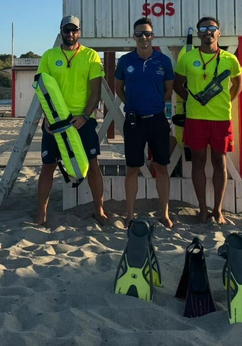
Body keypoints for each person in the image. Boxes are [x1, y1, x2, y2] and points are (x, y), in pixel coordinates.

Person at [36, 15, 107, 226]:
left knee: (93, 165)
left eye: (74, 30)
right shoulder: (49, 56)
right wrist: (48, 118)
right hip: (55, 121)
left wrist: (85, 116)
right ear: (61, 32)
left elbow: (96, 92)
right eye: (66, 30)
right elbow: (42, 90)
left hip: (82, 121)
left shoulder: (91, 56)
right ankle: (42, 213)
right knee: (47, 166)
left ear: (80, 32)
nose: (70, 34)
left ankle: (99, 210)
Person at [173, 16, 242, 224]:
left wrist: (225, 101)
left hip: (221, 118)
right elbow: (178, 86)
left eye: (212, 28)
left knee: (219, 163)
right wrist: (192, 102)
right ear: (198, 33)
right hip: (195, 119)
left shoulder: (230, 59)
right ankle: (202, 209)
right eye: (203, 28)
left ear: (218, 33)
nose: (208, 32)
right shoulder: (187, 58)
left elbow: (238, 85)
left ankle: (218, 210)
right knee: (198, 162)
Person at [114, 17, 175, 228]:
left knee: (162, 167)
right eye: (139, 34)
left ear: (153, 36)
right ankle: (129, 214)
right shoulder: (125, 61)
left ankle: (165, 214)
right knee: (132, 168)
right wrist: (130, 105)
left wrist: (156, 104)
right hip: (134, 122)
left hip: (157, 120)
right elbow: (118, 88)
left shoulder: (163, 61)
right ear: (134, 37)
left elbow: (169, 90)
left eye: (147, 34)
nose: (143, 38)